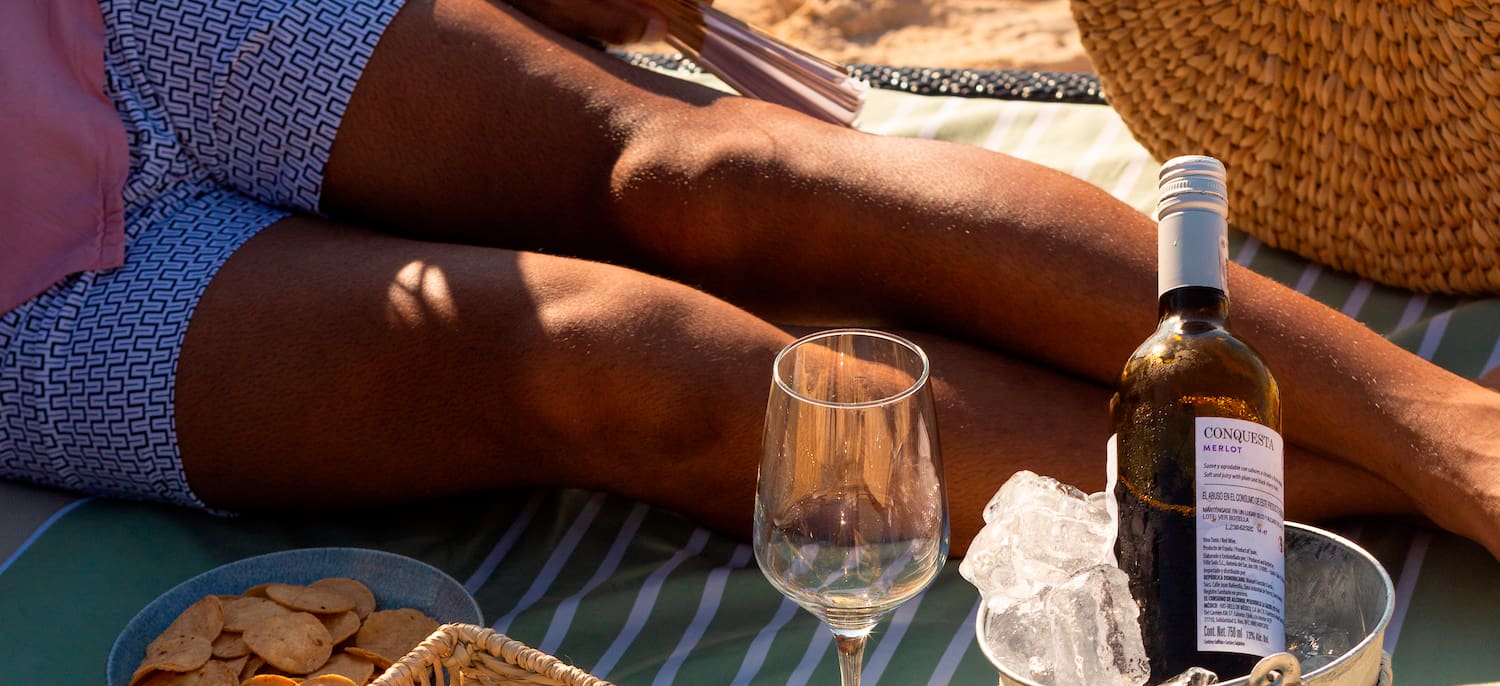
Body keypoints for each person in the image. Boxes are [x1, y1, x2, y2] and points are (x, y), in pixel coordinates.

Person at [3, 0, 1500, 563]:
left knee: (709, 173)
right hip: (29, 304)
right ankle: (1374, 484)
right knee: (623, 367)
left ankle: (1443, 425)